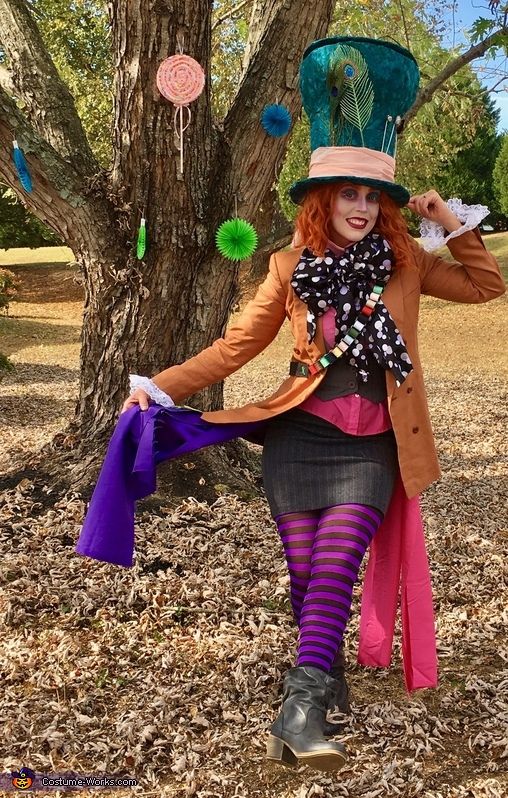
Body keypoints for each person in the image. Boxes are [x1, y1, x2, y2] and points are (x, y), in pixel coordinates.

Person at [119, 37, 506, 772]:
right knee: (306, 579)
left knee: (333, 568)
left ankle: (299, 709)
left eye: (374, 196)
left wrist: (451, 219)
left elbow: (487, 287)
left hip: (373, 449)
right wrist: (163, 386)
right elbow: (234, 347)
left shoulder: (407, 262)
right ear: (323, 200)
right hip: (298, 441)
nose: (361, 207)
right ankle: (324, 680)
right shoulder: (289, 267)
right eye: (348, 194)